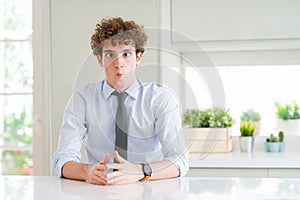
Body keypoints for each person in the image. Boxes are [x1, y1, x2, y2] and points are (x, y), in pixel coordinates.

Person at [53, 17, 189, 185]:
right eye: (110, 55)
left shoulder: (160, 99)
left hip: (148, 187)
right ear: (99, 59)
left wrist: (140, 171)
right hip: (99, 189)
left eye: (126, 54)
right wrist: (87, 172)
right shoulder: (82, 100)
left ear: (138, 57)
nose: (119, 64)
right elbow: (63, 159)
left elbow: (179, 161)